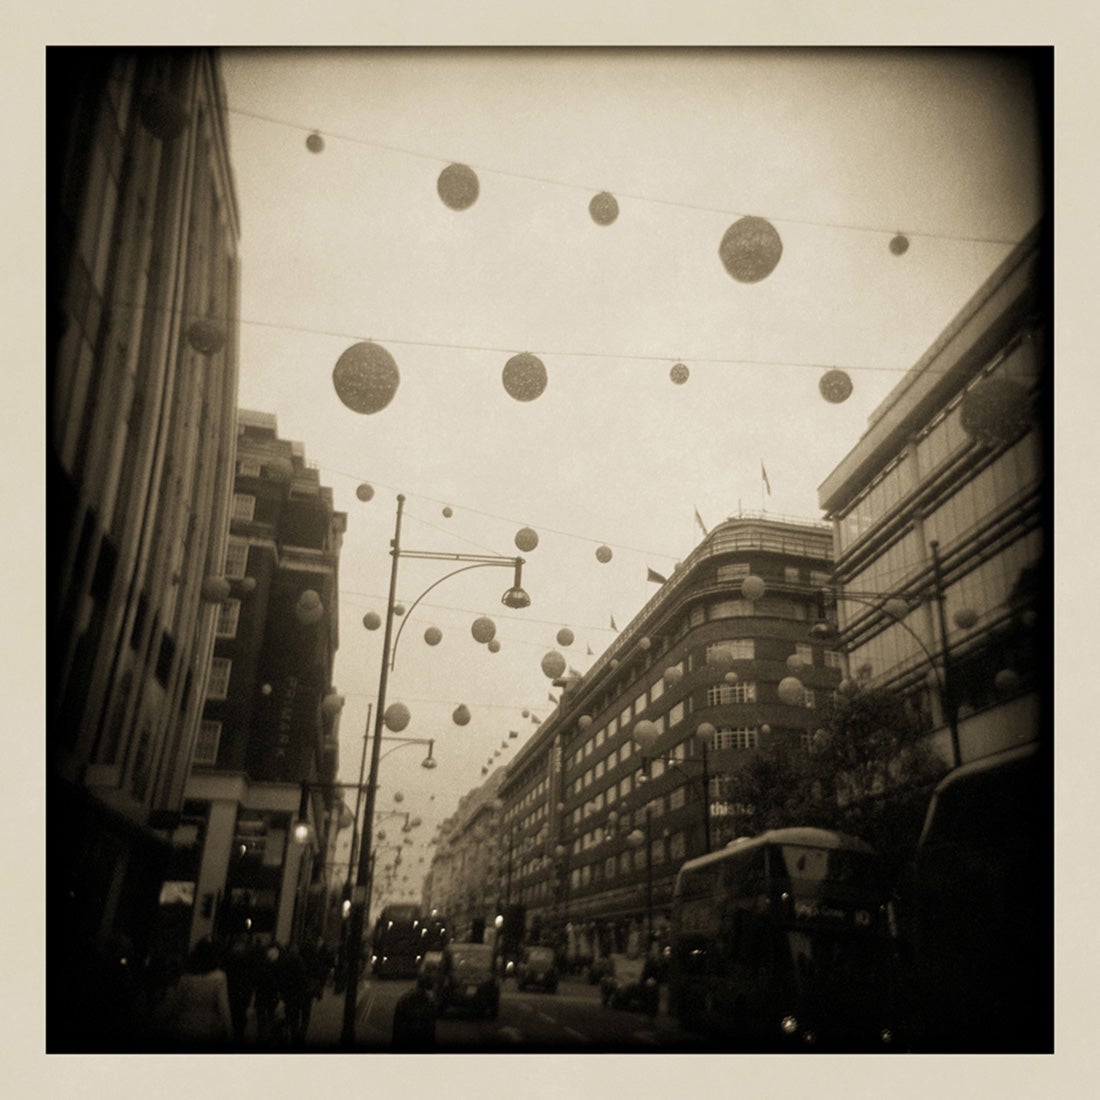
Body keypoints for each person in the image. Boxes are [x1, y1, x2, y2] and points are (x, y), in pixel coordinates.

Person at [152, 938, 233, 1049]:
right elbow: (224, 1007)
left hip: (184, 1025)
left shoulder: (186, 977)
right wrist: (230, 1032)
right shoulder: (219, 977)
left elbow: (176, 1002)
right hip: (208, 1028)